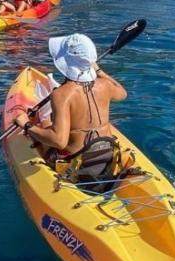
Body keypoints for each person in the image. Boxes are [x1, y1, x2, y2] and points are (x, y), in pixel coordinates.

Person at [13, 33, 127, 168]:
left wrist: (26, 124)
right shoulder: (106, 85)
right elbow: (122, 93)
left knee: (44, 123)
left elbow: (59, 141)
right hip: (107, 154)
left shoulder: (61, 94)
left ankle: (39, 123)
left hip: (76, 163)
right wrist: (98, 71)